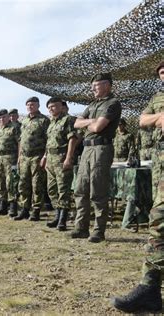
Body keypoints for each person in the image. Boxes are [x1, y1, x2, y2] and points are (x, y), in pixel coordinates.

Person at [111, 61, 164, 313]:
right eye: (161, 73)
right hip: (160, 169)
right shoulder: (158, 97)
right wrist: (160, 117)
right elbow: (143, 119)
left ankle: (149, 288)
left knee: (160, 223)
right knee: (159, 221)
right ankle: (150, 288)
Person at [71, 73, 121, 242]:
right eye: (92, 85)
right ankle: (81, 228)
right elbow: (76, 123)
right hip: (86, 149)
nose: (93, 88)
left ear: (107, 85)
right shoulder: (92, 104)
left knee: (97, 190)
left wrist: (90, 122)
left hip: (102, 148)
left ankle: (98, 230)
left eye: (97, 85)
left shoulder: (112, 103)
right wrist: (90, 122)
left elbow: (99, 127)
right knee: (80, 189)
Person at [40, 98, 78, 231]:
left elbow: (73, 139)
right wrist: (45, 157)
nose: (51, 109)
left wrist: (69, 158)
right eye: (49, 107)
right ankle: (57, 215)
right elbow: (49, 142)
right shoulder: (51, 123)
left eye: (54, 106)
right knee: (51, 189)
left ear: (62, 107)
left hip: (62, 157)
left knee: (63, 189)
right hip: (50, 158)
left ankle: (63, 219)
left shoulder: (68, 120)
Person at [15, 96, 50, 221]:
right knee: (23, 184)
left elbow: (49, 140)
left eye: (33, 104)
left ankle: (36, 211)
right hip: (24, 157)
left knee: (37, 185)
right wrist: (19, 157)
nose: (30, 107)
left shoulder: (44, 120)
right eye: (28, 105)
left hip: (37, 156)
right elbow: (21, 140)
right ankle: (24, 209)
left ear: (38, 106)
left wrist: (45, 156)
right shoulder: (24, 121)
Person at [0, 109, 20, 215]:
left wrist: (19, 158)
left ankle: (13, 207)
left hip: (10, 158)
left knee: (11, 182)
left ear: (8, 117)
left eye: (3, 117)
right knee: (0, 182)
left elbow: (19, 143)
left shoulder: (15, 127)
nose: (1, 119)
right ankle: (3, 206)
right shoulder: (0, 129)